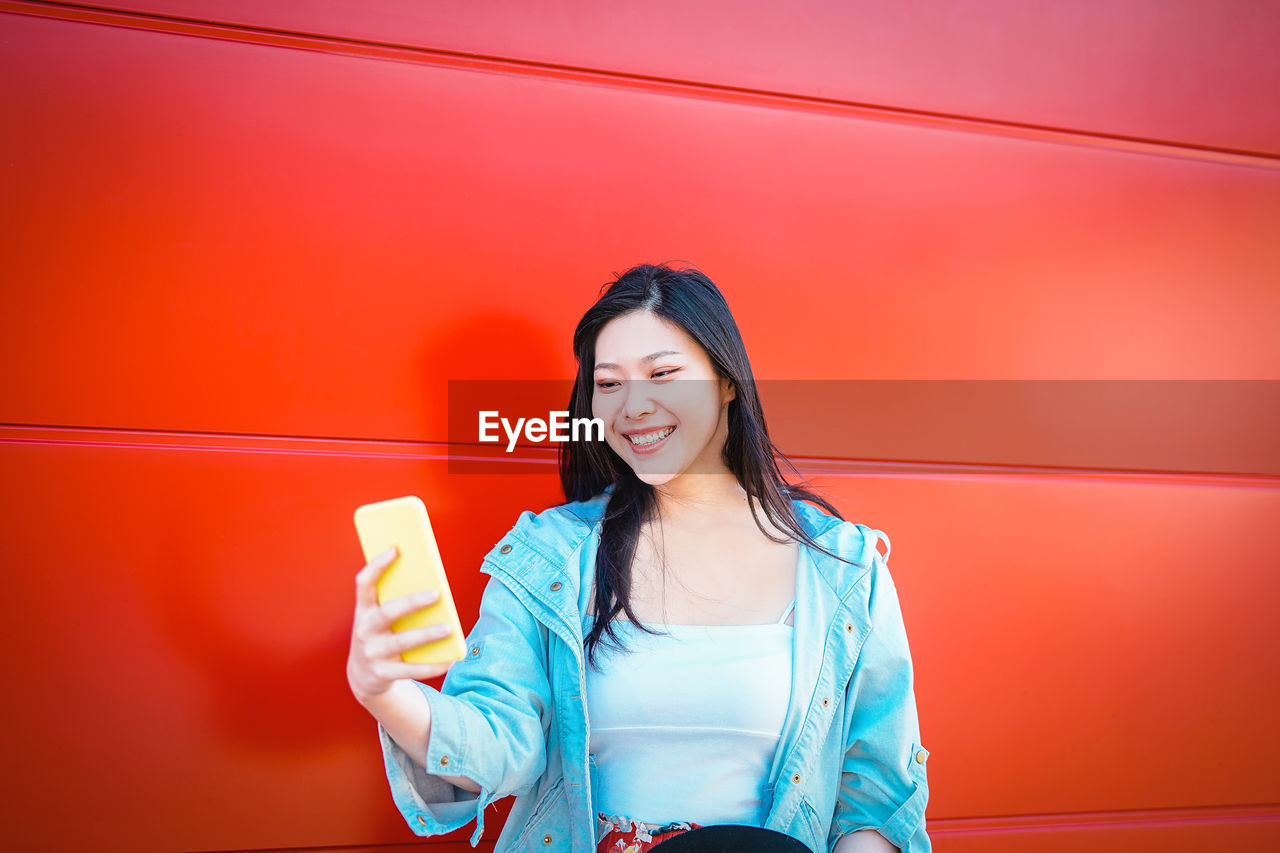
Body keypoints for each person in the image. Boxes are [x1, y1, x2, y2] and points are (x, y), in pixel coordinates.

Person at [347, 263, 930, 853]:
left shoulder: (842, 567)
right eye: (609, 383)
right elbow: (498, 745)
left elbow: (876, 794)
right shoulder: (549, 556)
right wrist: (384, 692)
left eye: (664, 374)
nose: (634, 406)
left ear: (727, 381)